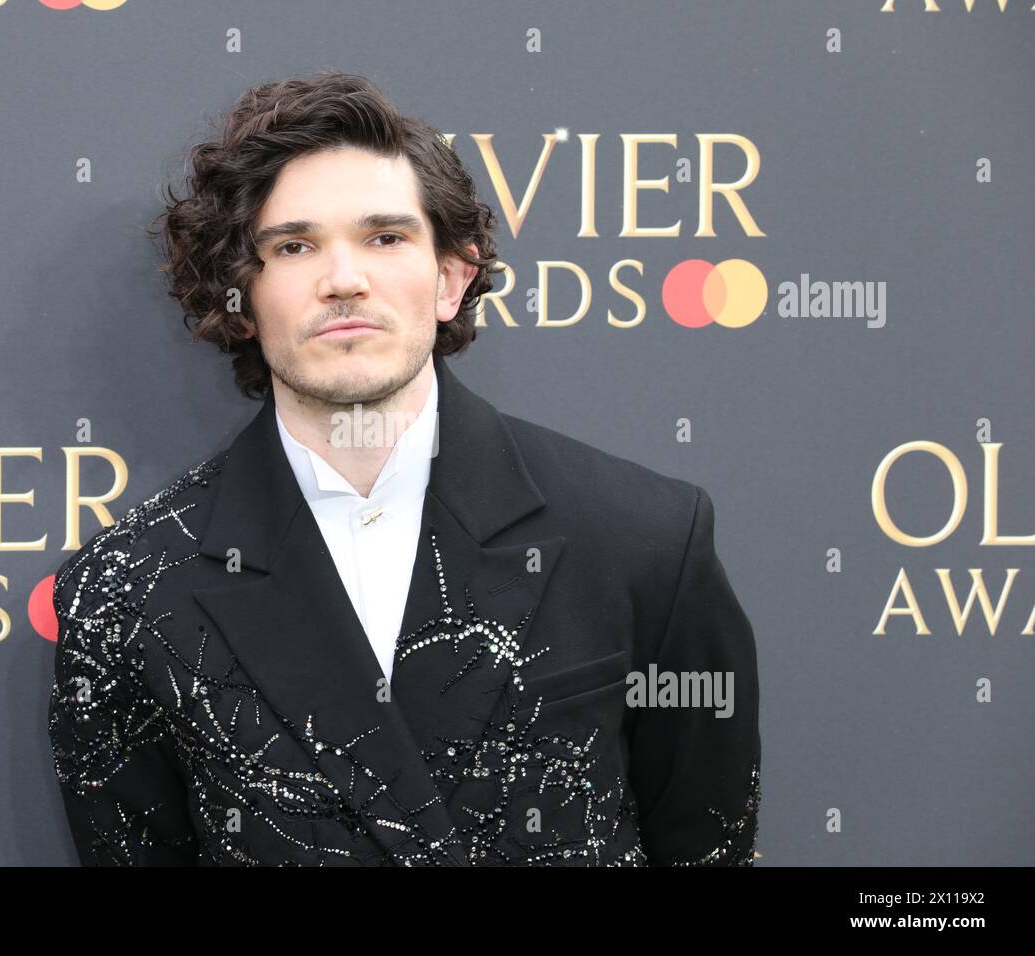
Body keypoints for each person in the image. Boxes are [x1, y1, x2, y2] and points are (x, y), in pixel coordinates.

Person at [46, 70, 760, 866]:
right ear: (238, 294)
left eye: (385, 237)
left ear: (453, 277)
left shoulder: (645, 538)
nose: (343, 278)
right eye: (294, 246)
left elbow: (709, 841)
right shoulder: (126, 593)